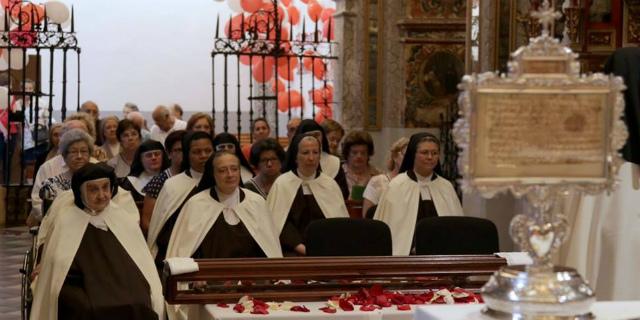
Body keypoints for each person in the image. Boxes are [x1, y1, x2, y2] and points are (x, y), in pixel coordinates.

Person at [30, 163, 164, 320]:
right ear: (80, 192)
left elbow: (139, 261)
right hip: (77, 283)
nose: (102, 195)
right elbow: (58, 266)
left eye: (105, 187)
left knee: (140, 302)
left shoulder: (121, 217)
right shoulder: (66, 220)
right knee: (84, 308)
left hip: (121, 280)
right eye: (93, 189)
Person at [374, 133, 463, 255]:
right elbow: (388, 229)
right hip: (406, 258)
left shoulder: (446, 187)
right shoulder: (397, 185)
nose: (430, 157)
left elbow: (456, 229)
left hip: (442, 256)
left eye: (434, 153)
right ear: (413, 155)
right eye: (424, 152)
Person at [267, 133, 349, 256]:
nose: (311, 158)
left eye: (315, 152)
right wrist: (302, 248)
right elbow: (278, 224)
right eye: (305, 153)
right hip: (290, 251)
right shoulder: (283, 183)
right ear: (295, 156)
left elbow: (339, 225)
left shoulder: (329, 184)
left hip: (326, 251)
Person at [146, 131, 213, 268]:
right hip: (179, 255)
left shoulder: (221, 183)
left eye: (208, 151)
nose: (204, 156)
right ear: (187, 154)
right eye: (197, 152)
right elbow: (161, 229)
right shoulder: (173, 185)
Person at [140, 130, 186, 233]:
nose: (183, 154)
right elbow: (146, 222)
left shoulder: (197, 178)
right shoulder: (159, 182)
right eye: (178, 150)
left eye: (186, 149)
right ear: (169, 154)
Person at [293, 119, 349, 198]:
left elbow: (343, 194)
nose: (311, 158)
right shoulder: (291, 162)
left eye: (317, 135)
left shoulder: (334, 162)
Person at [38, 129, 93, 206]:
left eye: (84, 151)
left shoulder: (100, 181)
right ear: (64, 156)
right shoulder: (52, 185)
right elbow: (48, 215)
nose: (79, 156)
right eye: (74, 152)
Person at [362, 137, 409, 215]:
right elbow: (367, 216)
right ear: (395, 156)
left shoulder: (416, 182)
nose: (409, 160)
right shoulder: (378, 181)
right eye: (406, 156)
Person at [341, 130, 381, 200]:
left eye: (363, 153)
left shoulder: (378, 175)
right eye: (354, 152)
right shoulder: (338, 173)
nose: (359, 156)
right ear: (347, 153)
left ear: (368, 154)